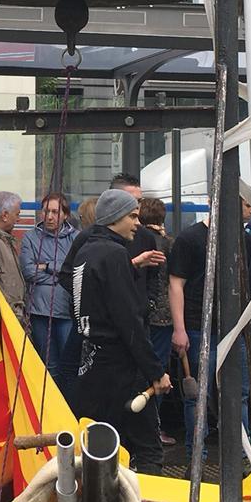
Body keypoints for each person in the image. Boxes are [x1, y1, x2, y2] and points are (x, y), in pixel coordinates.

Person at [68, 189, 169, 472]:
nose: (138, 223)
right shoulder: (114, 254)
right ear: (114, 218)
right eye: (132, 216)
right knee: (148, 449)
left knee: (98, 447)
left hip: (91, 365)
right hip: (122, 367)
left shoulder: (86, 251)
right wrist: (155, 371)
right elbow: (129, 321)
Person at [168, 181, 251, 450]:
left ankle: (238, 453)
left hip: (232, 326)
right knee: (198, 395)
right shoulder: (190, 239)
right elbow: (176, 284)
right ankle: (199, 453)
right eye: (245, 204)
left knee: (237, 393)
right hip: (197, 326)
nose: (249, 210)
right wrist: (179, 328)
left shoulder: (244, 239)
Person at [19, 193, 80, 402]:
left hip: (66, 310)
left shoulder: (76, 238)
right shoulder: (31, 237)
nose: (50, 216)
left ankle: (68, 407)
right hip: (39, 310)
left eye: (55, 212)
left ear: (65, 215)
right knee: (48, 363)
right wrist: (59, 274)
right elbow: (28, 272)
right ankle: (49, 407)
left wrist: (47, 266)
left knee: (68, 361)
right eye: (46, 211)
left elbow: (74, 272)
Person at [138, 196, 175, 446]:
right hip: (163, 316)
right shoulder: (169, 243)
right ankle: (155, 426)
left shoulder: (137, 242)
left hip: (142, 315)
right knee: (159, 371)